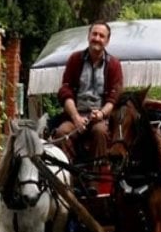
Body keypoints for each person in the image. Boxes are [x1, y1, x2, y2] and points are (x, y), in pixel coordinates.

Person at [53, 21, 123, 195]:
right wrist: (76, 117)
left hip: (100, 117)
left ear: (107, 41)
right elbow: (65, 90)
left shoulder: (113, 65)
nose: (97, 38)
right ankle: (69, 178)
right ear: (89, 36)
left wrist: (101, 114)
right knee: (62, 132)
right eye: (94, 34)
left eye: (101, 36)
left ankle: (93, 182)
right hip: (75, 114)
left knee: (100, 132)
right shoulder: (75, 60)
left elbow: (114, 97)